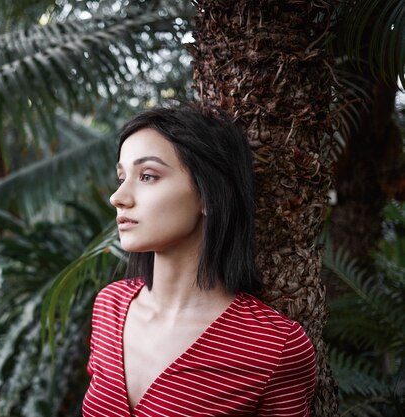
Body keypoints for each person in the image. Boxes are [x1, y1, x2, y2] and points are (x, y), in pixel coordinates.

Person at [82, 104, 316, 416]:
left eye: (148, 176)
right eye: (122, 177)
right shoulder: (109, 306)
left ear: (208, 194)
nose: (118, 197)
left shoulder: (274, 346)